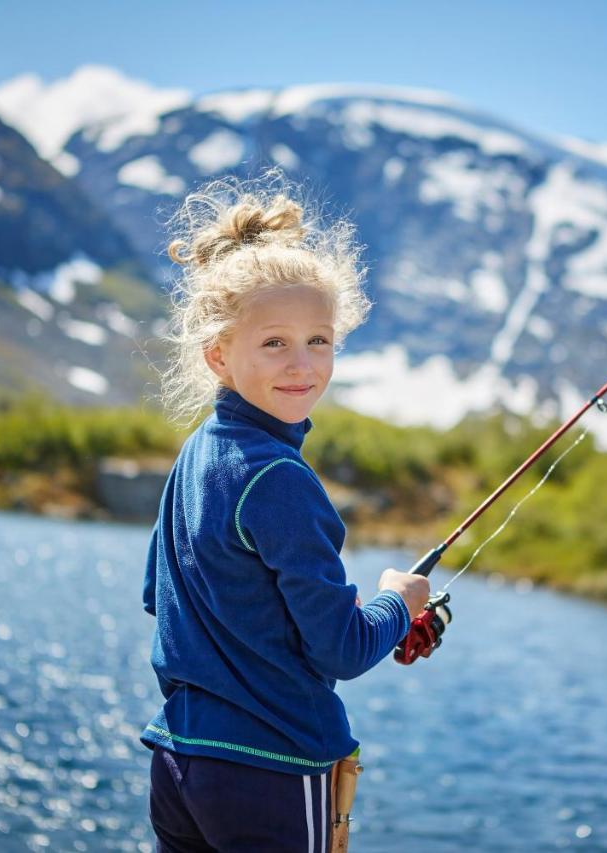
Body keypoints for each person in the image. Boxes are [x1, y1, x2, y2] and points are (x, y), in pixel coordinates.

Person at [140, 174, 431, 852]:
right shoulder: (281, 478)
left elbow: (161, 597)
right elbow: (342, 648)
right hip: (269, 770)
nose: (302, 364)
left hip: (180, 760)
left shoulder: (195, 455)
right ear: (219, 354)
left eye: (319, 340)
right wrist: (397, 601)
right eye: (274, 343)